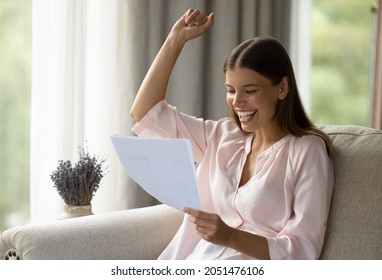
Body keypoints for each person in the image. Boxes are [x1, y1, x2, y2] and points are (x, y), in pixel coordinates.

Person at [130, 9, 334, 260]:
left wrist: (230, 236)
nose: (237, 102)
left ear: (282, 88)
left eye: (250, 90)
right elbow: (145, 113)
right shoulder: (221, 136)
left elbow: (302, 250)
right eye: (230, 90)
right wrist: (176, 39)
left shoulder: (307, 151)